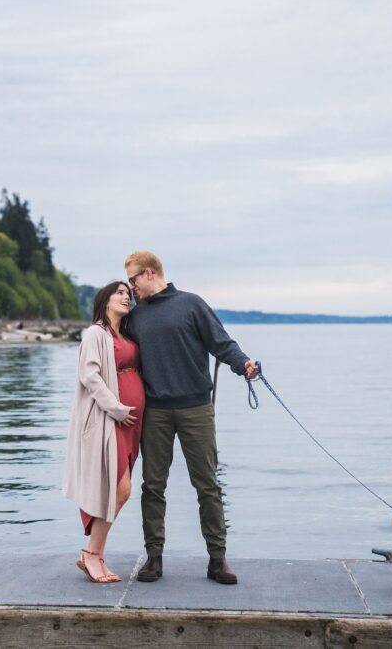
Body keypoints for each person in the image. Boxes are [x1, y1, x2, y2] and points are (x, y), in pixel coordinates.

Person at [124, 250, 258, 585]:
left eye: (133, 279)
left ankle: (217, 560)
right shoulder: (135, 317)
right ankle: (153, 558)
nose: (131, 287)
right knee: (152, 486)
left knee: (207, 485)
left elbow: (221, 343)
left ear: (150, 272)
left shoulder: (191, 304)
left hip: (196, 407)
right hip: (154, 410)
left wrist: (243, 364)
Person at [63, 281, 145, 583]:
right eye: (119, 292)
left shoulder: (125, 334)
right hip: (110, 421)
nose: (126, 297)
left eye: (128, 294)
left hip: (131, 425)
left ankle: (95, 555)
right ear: (105, 299)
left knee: (117, 491)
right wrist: (117, 408)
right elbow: (90, 375)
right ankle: (91, 554)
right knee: (119, 490)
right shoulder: (96, 333)